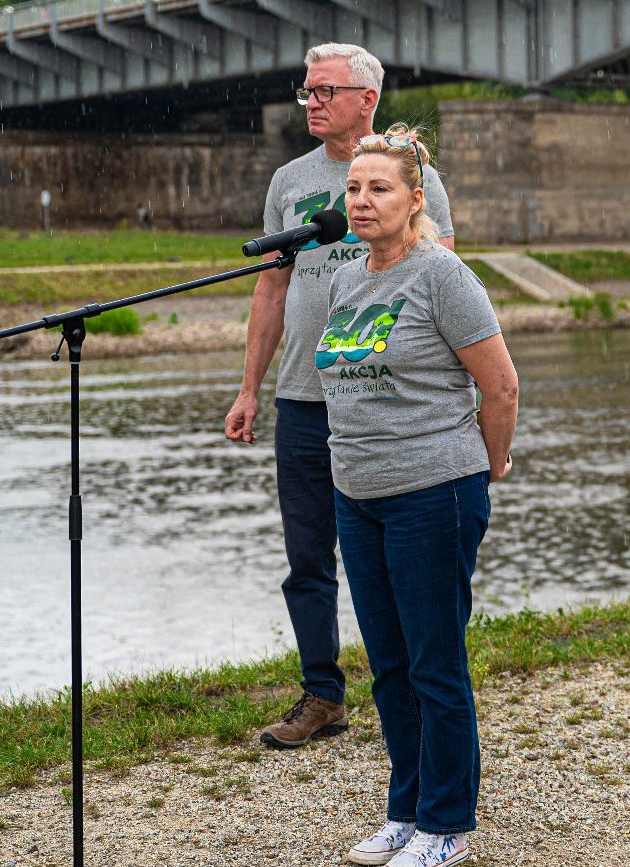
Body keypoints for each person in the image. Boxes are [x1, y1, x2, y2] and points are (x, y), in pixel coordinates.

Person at [224, 44, 455, 749]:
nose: (311, 101)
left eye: (326, 90)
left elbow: (443, 277)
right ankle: (322, 693)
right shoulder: (291, 181)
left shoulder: (413, 177)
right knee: (307, 553)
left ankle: (415, 688)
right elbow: (271, 286)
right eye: (307, 91)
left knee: (395, 553)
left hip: (383, 396)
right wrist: (249, 388)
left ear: (367, 99)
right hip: (302, 396)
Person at [325, 126, 516, 867]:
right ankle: (404, 809)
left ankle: (446, 825)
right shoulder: (347, 277)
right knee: (389, 665)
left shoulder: (441, 275)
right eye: (353, 188)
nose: (363, 200)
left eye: (379, 188)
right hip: (358, 495)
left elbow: (500, 385)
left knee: (436, 664)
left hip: (433, 491)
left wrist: (489, 462)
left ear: (414, 199)